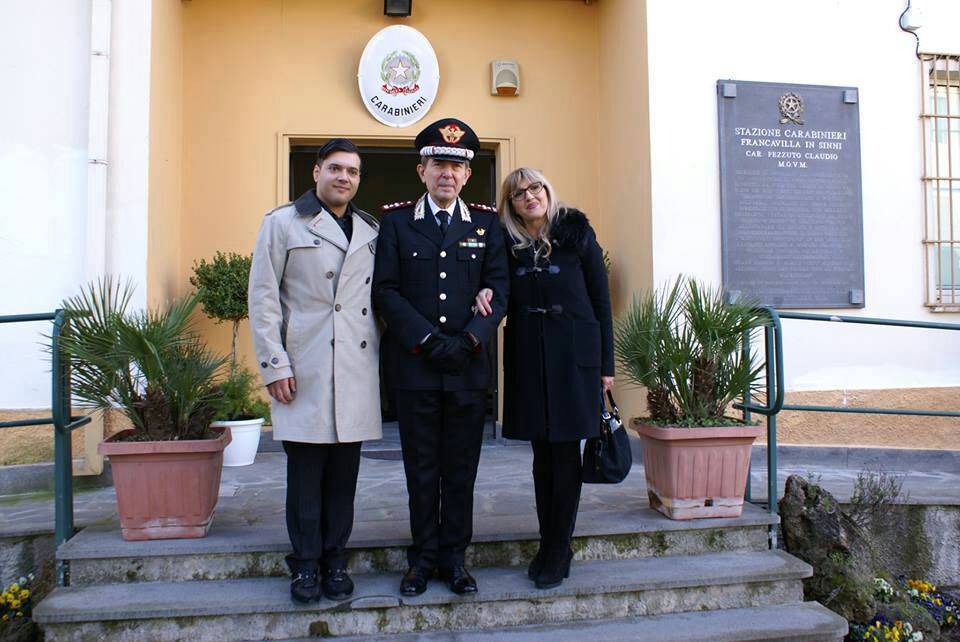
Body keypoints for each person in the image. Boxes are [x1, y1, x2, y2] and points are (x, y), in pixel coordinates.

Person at [372, 118, 509, 596]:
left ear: (467, 174)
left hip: (468, 371)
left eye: (456, 164)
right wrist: (428, 342)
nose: (447, 172)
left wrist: (470, 340)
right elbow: (385, 292)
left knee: (461, 471)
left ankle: (455, 559)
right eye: (438, 164)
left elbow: (501, 288)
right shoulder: (395, 222)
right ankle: (422, 558)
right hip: (416, 368)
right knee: (421, 469)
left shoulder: (488, 224)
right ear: (421, 170)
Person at [248, 138, 382, 604]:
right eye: (336, 168)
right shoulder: (283, 223)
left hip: (354, 366)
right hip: (302, 366)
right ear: (317, 171)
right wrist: (273, 364)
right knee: (306, 474)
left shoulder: (370, 229)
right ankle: (305, 566)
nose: (344, 178)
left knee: (344, 476)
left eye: (353, 172)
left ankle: (334, 560)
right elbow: (263, 299)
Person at [474, 167, 614, 589]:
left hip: (576, 358)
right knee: (541, 458)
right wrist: (484, 291)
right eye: (519, 193)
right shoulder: (505, 244)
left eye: (535, 188)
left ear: (547, 191)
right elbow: (493, 287)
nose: (529, 196)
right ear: (510, 204)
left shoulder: (577, 233)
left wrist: (606, 366)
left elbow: (601, 301)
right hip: (529, 359)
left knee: (566, 456)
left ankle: (559, 548)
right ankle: (548, 542)